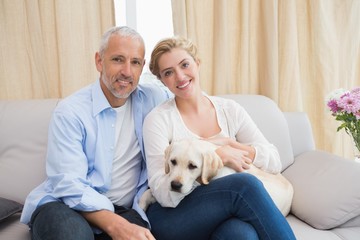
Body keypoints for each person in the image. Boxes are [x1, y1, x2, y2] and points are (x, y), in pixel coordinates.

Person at [20, 26, 170, 240]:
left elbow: (189, 95)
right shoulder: (70, 111)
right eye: (118, 59)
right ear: (99, 61)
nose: (127, 71)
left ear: (142, 66)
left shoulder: (153, 99)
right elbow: (68, 184)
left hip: (124, 210)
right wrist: (116, 225)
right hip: (65, 206)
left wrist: (225, 146)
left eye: (135, 62)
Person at [142, 37, 296, 240]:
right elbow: (161, 190)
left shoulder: (230, 110)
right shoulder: (159, 119)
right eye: (168, 73)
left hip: (222, 213)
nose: (180, 77)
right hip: (172, 215)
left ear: (197, 63)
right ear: (162, 80)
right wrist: (217, 156)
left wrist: (233, 146)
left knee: (241, 234)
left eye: (185, 65)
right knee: (244, 185)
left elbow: (275, 160)